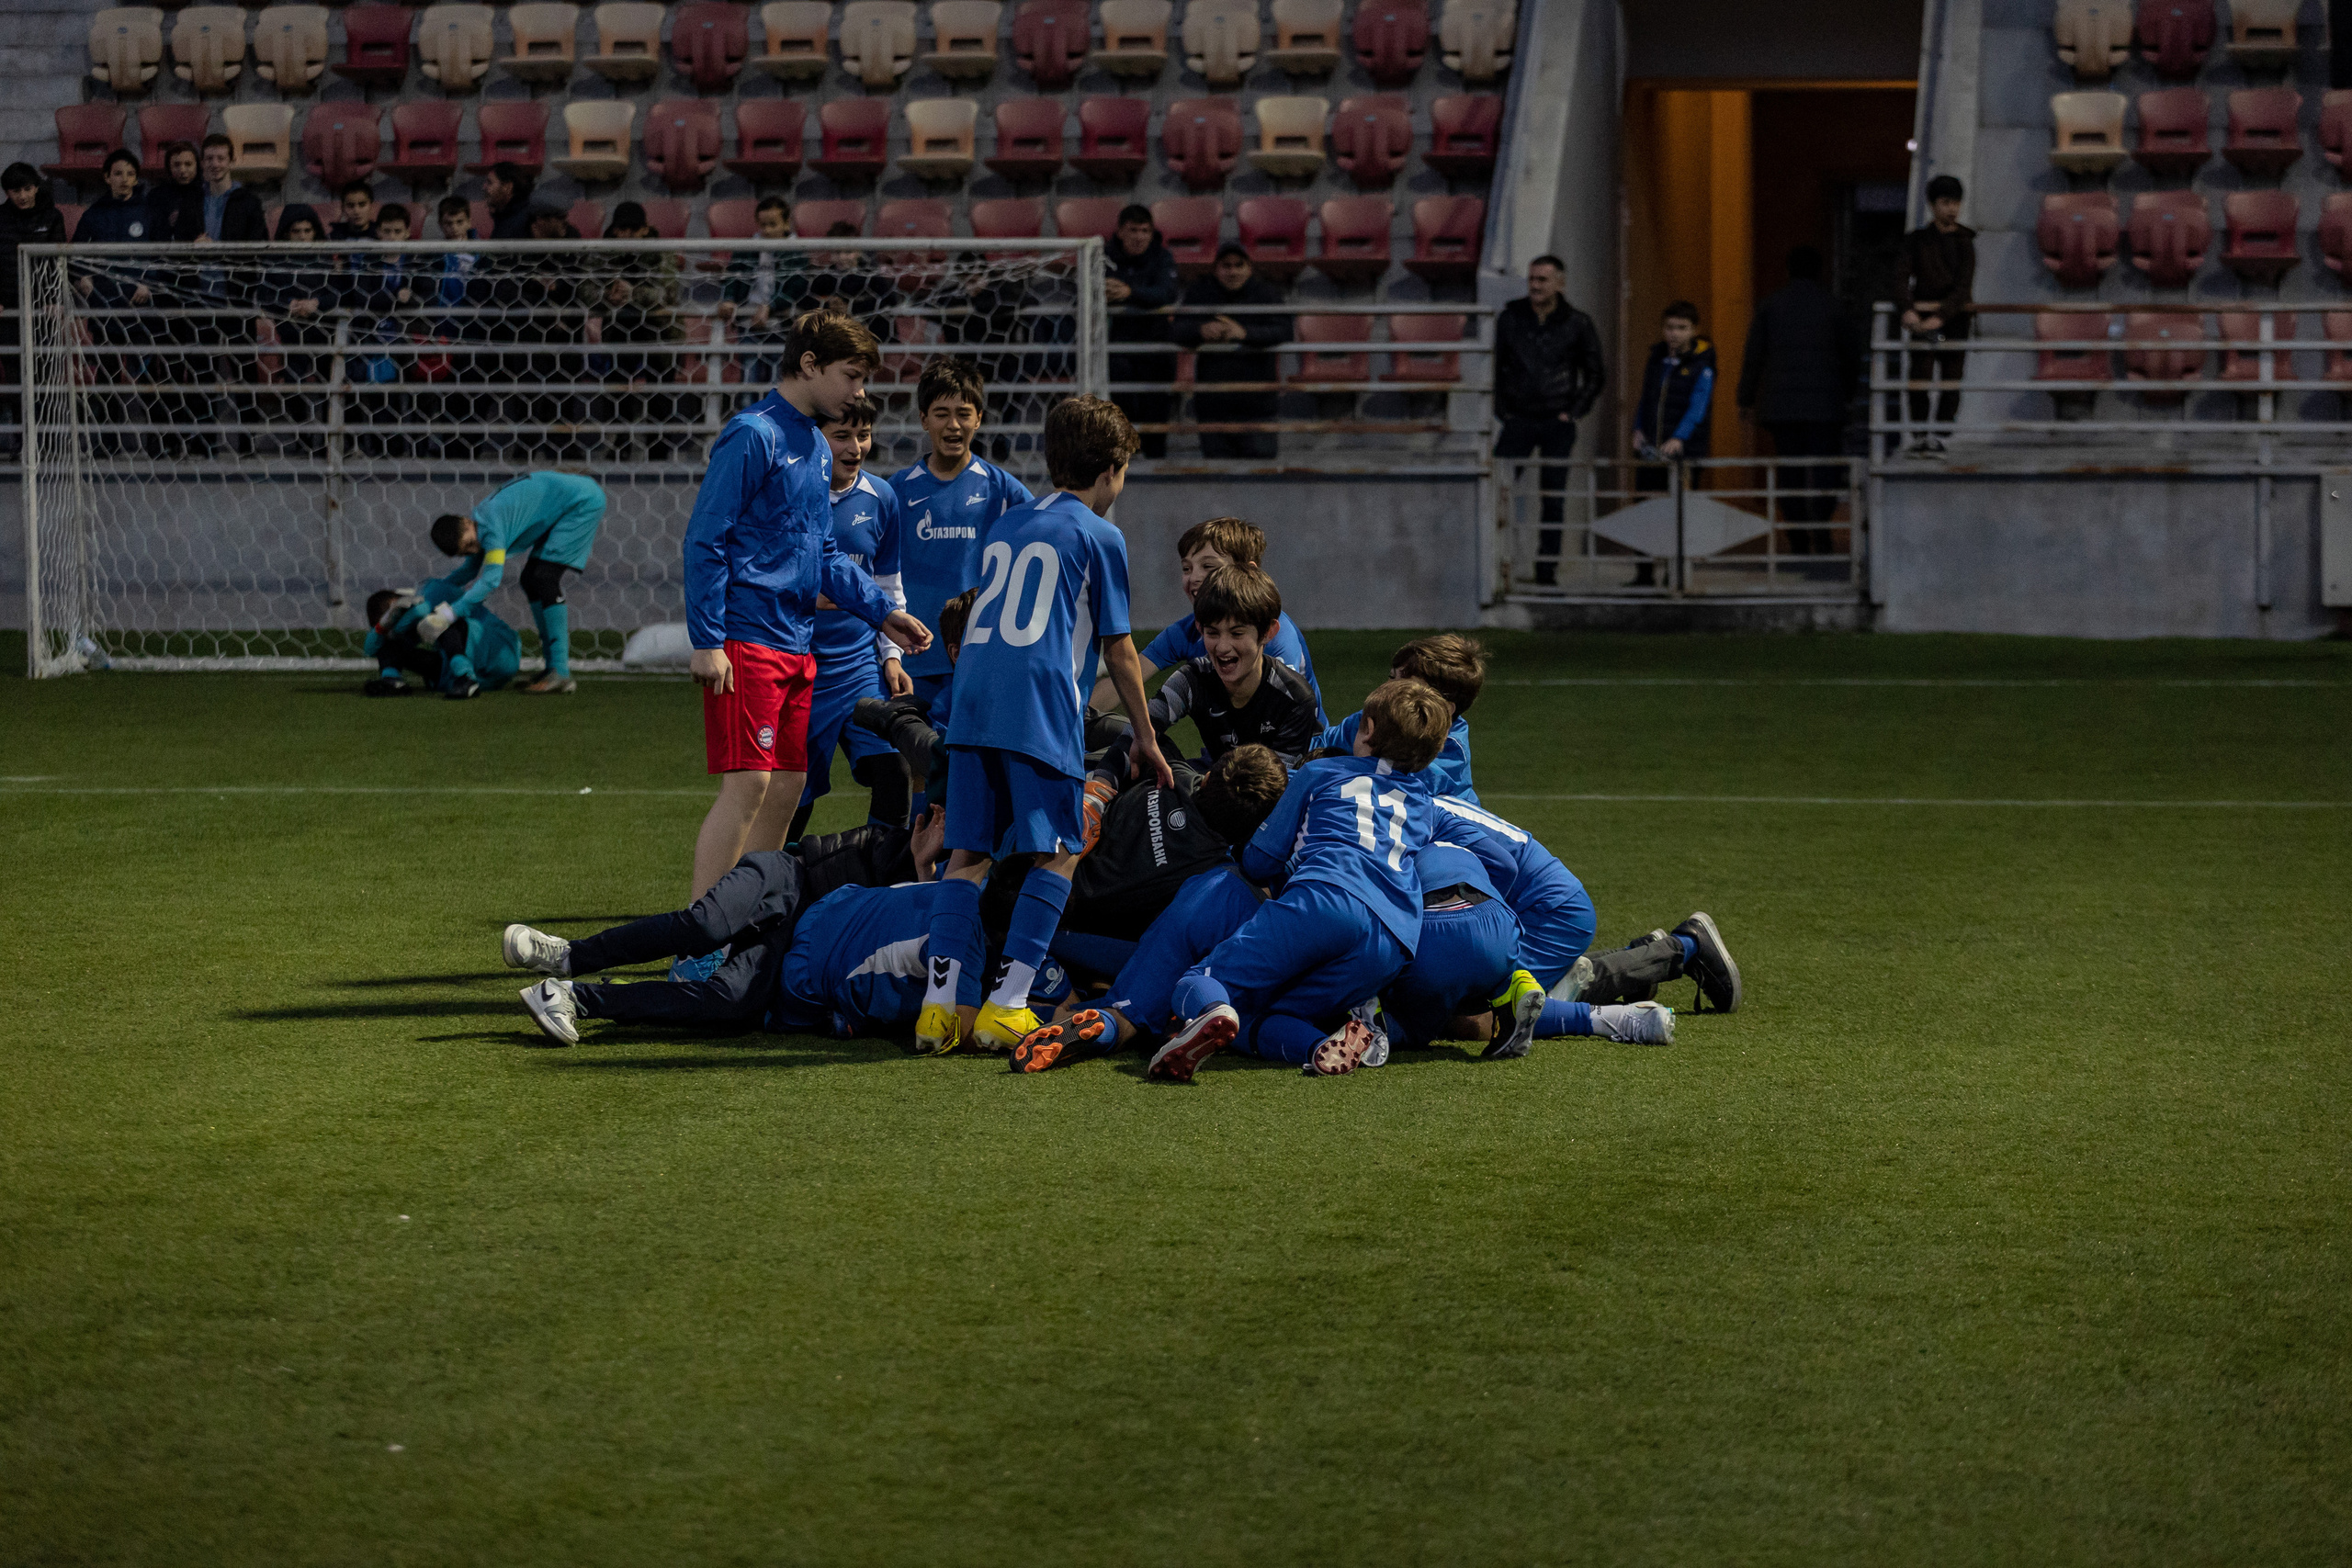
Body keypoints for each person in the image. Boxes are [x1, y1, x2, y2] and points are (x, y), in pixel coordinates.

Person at [915, 394, 1170, 1057]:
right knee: (1060, 848)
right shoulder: (1099, 534)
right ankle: (1007, 1004)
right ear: (1111, 469)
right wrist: (1144, 735)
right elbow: (1117, 647)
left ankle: (938, 1011)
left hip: (972, 704)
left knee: (966, 854)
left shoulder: (1008, 523)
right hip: (1038, 709)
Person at [682, 310, 934, 928]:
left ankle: (748, 926)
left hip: (799, 646)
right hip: (748, 638)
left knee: (789, 790)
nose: (860, 392)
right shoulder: (754, 434)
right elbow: (705, 539)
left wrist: (884, 613)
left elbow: (823, 554)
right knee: (747, 790)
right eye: (852, 375)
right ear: (811, 365)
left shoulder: (817, 448)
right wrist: (708, 640)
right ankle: (698, 937)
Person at [1148, 678, 1450, 1081]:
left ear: (1368, 728)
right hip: (1395, 937)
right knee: (1275, 1013)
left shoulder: (1321, 772)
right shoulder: (1424, 805)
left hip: (1326, 896)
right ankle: (1319, 1045)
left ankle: (1207, 1011)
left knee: (1199, 981)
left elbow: (1259, 860)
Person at [1007, 745, 1295, 1073]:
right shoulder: (1214, 864)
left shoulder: (1171, 772)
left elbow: (1127, 740)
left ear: (1211, 776)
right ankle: (1090, 1016)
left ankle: (1066, 1010)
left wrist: (1097, 791)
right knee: (1161, 973)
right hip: (1088, 928)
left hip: (1051, 888)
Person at [503, 862, 987, 1048]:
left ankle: (571, 995)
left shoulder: (962, 905)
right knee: (705, 924)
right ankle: (569, 955)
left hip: (783, 961)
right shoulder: (955, 869)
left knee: (729, 1001)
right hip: (790, 882)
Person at [787, 393, 913, 846]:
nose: (854, 447)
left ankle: (877, 877)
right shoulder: (793, 494)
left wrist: (892, 658)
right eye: (841, 436)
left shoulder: (882, 497)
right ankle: (770, 884)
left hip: (859, 666)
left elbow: (888, 585)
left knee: (894, 772)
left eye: (862, 435)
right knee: (792, 794)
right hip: (800, 668)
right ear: (817, 439)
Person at [885, 358, 1034, 713]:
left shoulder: (1004, 491)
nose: (953, 425)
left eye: (964, 413)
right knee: (915, 762)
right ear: (923, 418)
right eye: (941, 413)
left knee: (971, 761)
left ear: (979, 418)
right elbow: (881, 575)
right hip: (914, 654)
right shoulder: (897, 491)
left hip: (979, 653)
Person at [1092, 565, 1322, 783]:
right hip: (1220, 781)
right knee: (1138, 742)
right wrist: (1099, 792)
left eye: (1236, 633)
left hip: (1274, 801)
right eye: (1213, 633)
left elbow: (1273, 791)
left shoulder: (1295, 699)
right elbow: (1140, 731)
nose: (1222, 647)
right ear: (1200, 629)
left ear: (1268, 633)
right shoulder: (1192, 679)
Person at [1089, 514, 1322, 720]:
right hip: (1225, 754)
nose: (1194, 578)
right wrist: (1075, 721)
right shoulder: (1187, 631)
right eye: (1187, 568)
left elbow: (1279, 719)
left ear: (1248, 571)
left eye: (1209, 567)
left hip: (1289, 760)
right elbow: (1124, 678)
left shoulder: (1275, 635)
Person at [425, 471, 610, 694]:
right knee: (532, 579)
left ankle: (560, 671)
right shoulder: (478, 525)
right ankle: (552, 667)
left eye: (471, 544)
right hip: (572, 501)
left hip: (582, 503)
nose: (474, 551)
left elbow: (491, 580)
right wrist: (434, 591)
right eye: (466, 551)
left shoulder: (491, 528)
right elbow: (469, 570)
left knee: (544, 578)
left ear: (466, 521)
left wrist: (451, 613)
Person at [1737, 245, 1862, 552]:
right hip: (1825, 407)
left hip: (1783, 407)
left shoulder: (1770, 307)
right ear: (1820, 271)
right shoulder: (1832, 307)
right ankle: (1820, 529)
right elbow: (1852, 356)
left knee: (1790, 471)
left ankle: (1796, 535)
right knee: (1824, 471)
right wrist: (1846, 394)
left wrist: (1746, 398)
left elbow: (1753, 357)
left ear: (1788, 270)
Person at [1494, 255, 1606, 586]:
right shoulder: (1511, 318)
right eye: (1531, 279)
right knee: (1497, 492)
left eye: (1542, 280)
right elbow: (1496, 366)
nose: (1535, 286)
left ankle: (1546, 573)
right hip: (1519, 420)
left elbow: (1596, 374)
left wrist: (1574, 411)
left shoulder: (1577, 323)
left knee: (1553, 498)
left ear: (1560, 283)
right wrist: (1505, 412)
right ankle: (1496, 568)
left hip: (1557, 421)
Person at [1313, 634, 1484, 804]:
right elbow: (1318, 747)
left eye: (1406, 686)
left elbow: (1397, 794)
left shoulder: (1447, 756)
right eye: (1392, 677)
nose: (1388, 689)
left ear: (1446, 708)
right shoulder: (1378, 715)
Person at [72, 150, 160, 456]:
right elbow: (74, 257)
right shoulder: (93, 214)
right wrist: (81, 277)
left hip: (142, 312)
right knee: (107, 378)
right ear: (107, 177)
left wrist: (149, 283)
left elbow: (163, 255)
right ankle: (107, 443)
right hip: (105, 309)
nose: (124, 180)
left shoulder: (150, 211)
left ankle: (157, 443)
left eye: (130, 174)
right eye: (118, 173)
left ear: (137, 178)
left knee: (149, 377)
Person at [1173, 243, 1290, 460]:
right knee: (1218, 479)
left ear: (1249, 268)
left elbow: (1284, 330)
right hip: (1213, 405)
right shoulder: (1200, 292)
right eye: (1226, 266)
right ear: (1216, 268)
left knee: (1260, 475)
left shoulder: (1267, 293)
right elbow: (1177, 329)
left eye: (1239, 265)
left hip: (1257, 405)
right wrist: (1201, 330)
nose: (1233, 271)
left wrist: (1244, 333)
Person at [1896, 175, 1975, 460]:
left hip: (1952, 320)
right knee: (1919, 379)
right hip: (1925, 317)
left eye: (1955, 203)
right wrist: (1907, 308)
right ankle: (1920, 436)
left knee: (1950, 382)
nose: (1952, 209)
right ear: (1932, 205)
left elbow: (1963, 287)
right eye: (1945, 203)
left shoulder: (1966, 241)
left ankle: (1941, 437)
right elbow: (1900, 278)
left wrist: (1938, 317)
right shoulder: (1916, 241)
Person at [0, 163, 69, 457]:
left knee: (44, 374)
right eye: (16, 191)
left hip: (44, 309)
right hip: (9, 309)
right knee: (16, 375)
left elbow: (58, 262)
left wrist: (54, 298)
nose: (23, 196)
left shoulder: (52, 216)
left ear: (36, 187)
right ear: (7, 192)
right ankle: (22, 440)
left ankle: (47, 441)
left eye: (28, 189)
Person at [1103, 203, 1180, 460]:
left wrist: (1128, 293)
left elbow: (1167, 293)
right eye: (1133, 230)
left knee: (1157, 410)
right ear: (1120, 231)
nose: (1139, 237)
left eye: (1145, 231)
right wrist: (1100, 291)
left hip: (1156, 345)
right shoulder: (1101, 255)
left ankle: (1156, 461)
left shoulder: (1162, 256)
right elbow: (1080, 293)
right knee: (1120, 412)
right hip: (1118, 346)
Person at [361, 581, 521, 700]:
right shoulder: (404, 621)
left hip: (501, 653)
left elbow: (422, 610)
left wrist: (399, 619)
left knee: (441, 621)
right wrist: (382, 626)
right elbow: (370, 649)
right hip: (469, 676)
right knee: (392, 644)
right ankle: (392, 681)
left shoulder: (432, 590)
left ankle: (466, 678)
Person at [717, 195, 807, 396]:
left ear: (786, 223)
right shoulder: (748, 248)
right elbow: (734, 275)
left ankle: (774, 421)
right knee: (749, 372)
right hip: (750, 321)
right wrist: (729, 298)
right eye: (763, 225)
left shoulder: (796, 251)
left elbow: (797, 286)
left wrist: (773, 305)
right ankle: (750, 417)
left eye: (773, 225)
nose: (767, 230)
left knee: (779, 374)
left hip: (781, 323)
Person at [481, 163, 537, 242]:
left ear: (507, 187)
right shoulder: (504, 217)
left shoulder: (525, 222)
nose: (484, 187)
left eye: (490, 182)